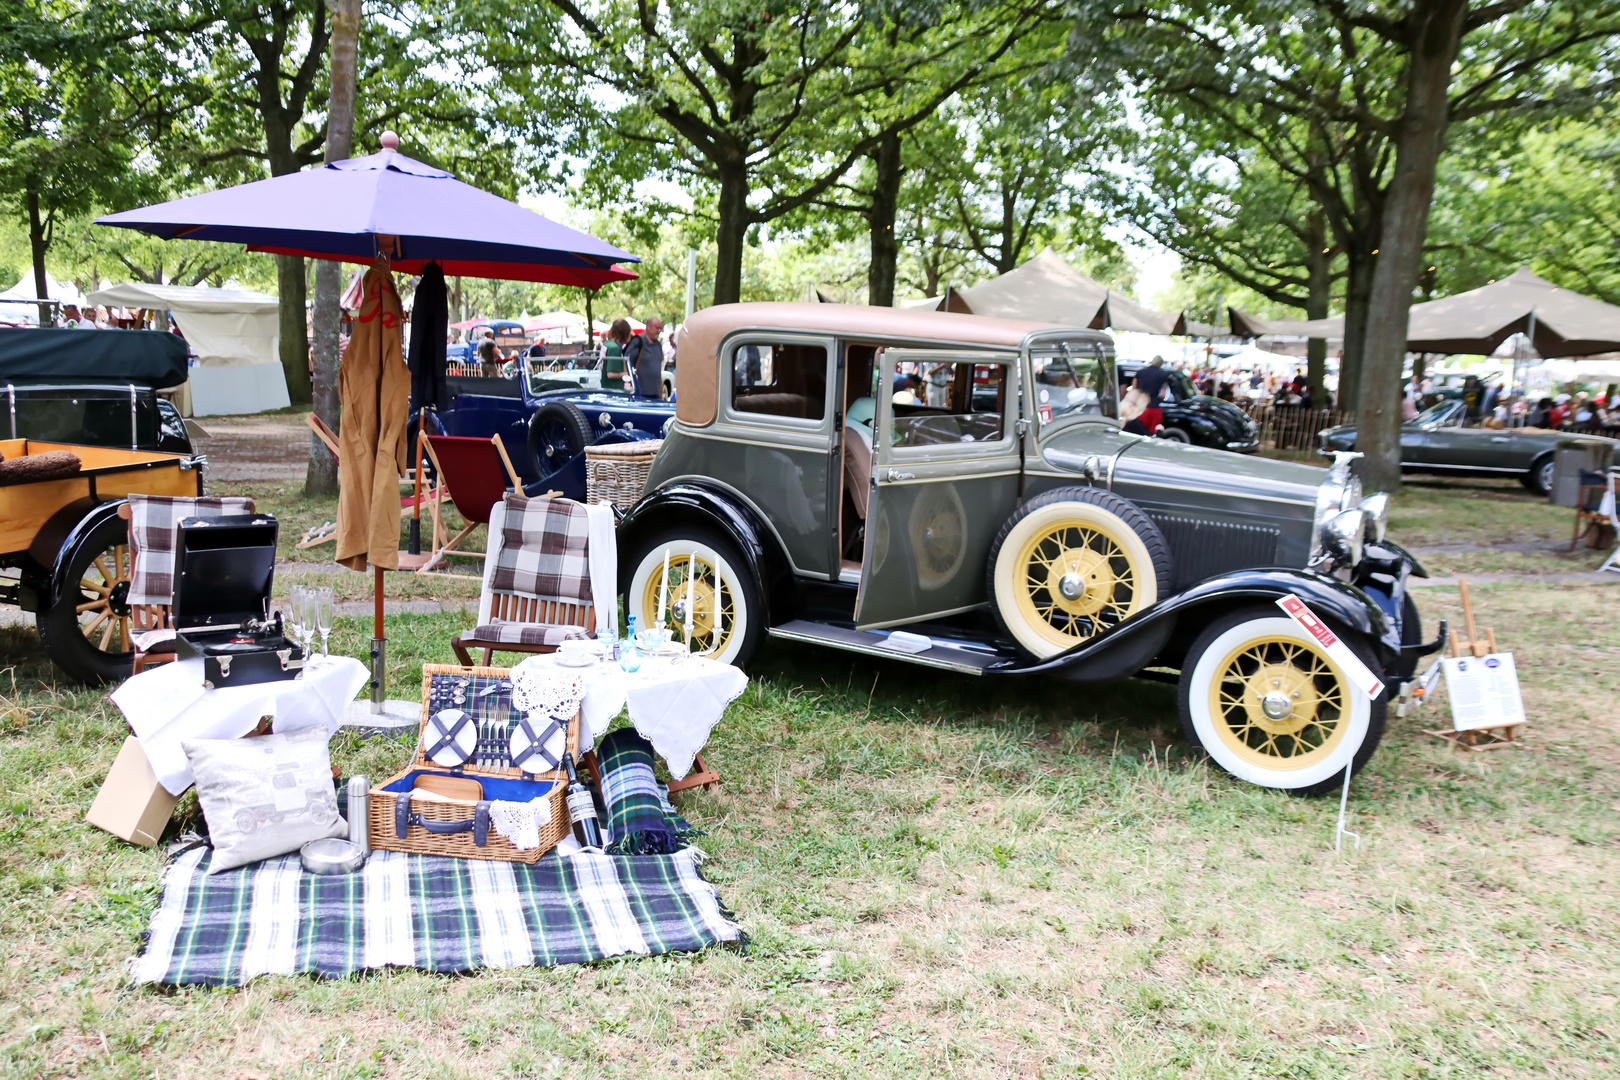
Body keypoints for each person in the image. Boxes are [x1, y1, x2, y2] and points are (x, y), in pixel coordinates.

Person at [625, 316, 665, 398]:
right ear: (648, 327)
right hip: (640, 393)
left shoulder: (658, 345)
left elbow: (658, 368)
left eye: (661, 328)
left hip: (655, 394)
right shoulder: (638, 341)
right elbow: (626, 361)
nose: (660, 331)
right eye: (657, 328)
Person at [1131, 355, 1170, 435]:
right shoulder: (1162, 375)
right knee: (1152, 434)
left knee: (1137, 433)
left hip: (1140, 407)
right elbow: (1163, 394)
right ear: (1161, 365)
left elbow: (1134, 389)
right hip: (1154, 408)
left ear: (1152, 361)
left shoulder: (1140, 372)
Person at [602, 318, 633, 391]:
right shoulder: (614, 348)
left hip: (605, 387)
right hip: (614, 390)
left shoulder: (606, 344)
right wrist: (626, 374)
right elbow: (611, 374)